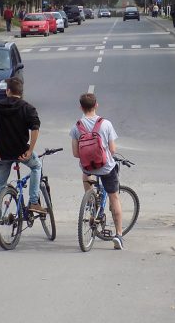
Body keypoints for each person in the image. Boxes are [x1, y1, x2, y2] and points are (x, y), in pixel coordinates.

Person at [0, 77, 44, 246]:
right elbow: (35, 127)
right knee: (36, 166)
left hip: (2, 154)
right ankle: (33, 201)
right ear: (21, 93)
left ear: (7, 91)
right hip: (20, 153)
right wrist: (30, 150)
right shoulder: (28, 108)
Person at [70, 93, 124, 250]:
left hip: (87, 167)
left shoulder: (76, 126)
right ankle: (119, 235)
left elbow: (75, 153)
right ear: (96, 105)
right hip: (106, 167)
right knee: (114, 197)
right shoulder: (105, 124)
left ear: (81, 107)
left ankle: (91, 202)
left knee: (85, 174)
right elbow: (112, 150)